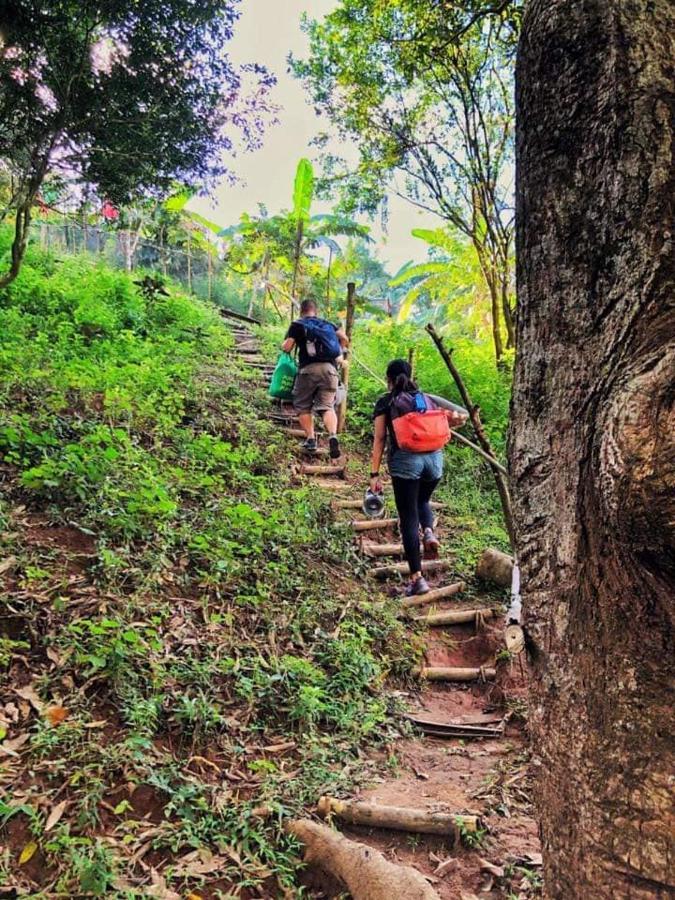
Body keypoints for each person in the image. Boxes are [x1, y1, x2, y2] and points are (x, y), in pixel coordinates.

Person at [369, 359, 467, 596]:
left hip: (406, 462)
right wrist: (448, 419)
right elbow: (462, 414)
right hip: (434, 460)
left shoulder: (386, 401)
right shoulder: (427, 398)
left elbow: (380, 438)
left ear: (388, 378)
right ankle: (430, 531)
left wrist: (374, 473)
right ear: (411, 375)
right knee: (422, 501)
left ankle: (417, 579)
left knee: (408, 517)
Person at [282, 298, 348, 458]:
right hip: (330, 370)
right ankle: (332, 435)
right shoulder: (328, 324)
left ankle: (311, 439)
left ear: (301, 311)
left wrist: (285, 345)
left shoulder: (298, 324)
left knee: (303, 405)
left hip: (308, 370)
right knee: (326, 406)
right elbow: (344, 338)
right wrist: (342, 351)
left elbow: (287, 347)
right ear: (315, 311)